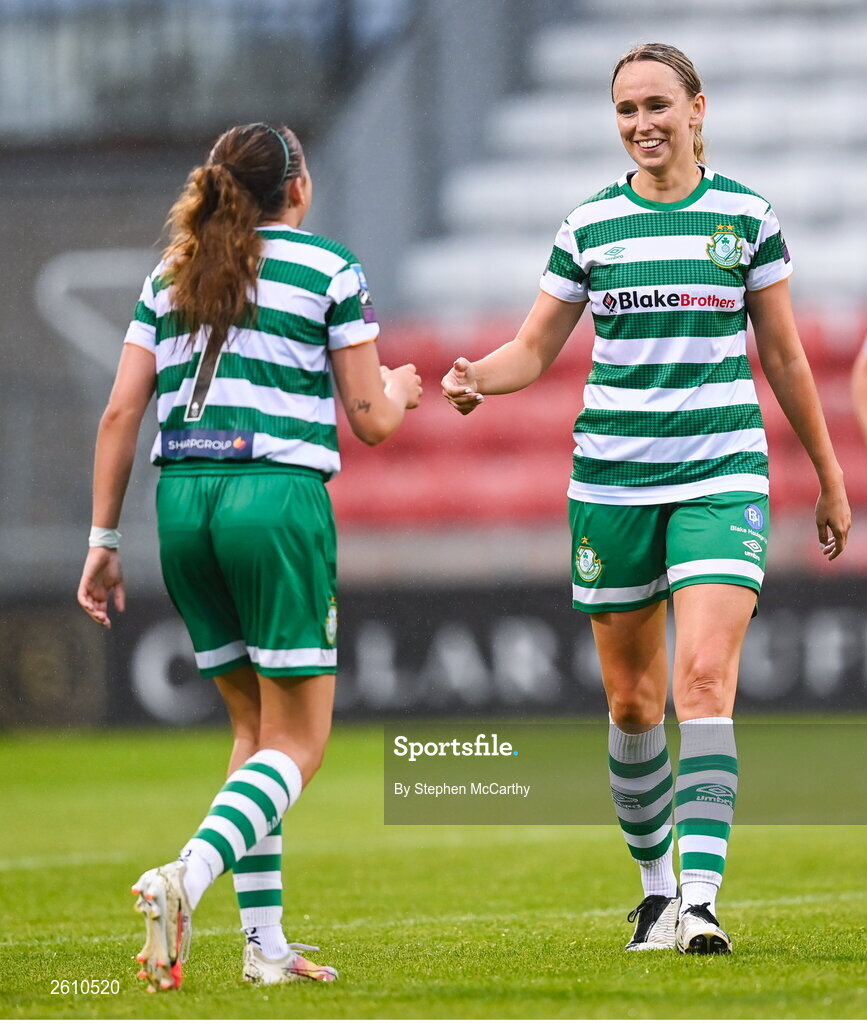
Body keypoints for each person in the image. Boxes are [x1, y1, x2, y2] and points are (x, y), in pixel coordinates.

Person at [442, 43, 850, 955]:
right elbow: (533, 348)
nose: (642, 124)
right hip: (613, 485)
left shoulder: (745, 216)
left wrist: (827, 476)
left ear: (697, 108)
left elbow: (781, 356)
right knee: (632, 703)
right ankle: (656, 891)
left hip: (720, 476)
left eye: (658, 105)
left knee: (702, 680)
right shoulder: (589, 225)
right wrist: (480, 379)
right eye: (626, 110)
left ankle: (700, 903)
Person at [77, 122, 422, 990]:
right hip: (272, 497)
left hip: (181, 501)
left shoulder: (171, 275)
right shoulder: (327, 268)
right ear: (298, 188)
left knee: (252, 731)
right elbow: (372, 419)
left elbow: (122, 413)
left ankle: (264, 946)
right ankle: (185, 876)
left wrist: (103, 539)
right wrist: (405, 391)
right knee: (300, 741)